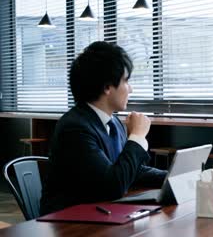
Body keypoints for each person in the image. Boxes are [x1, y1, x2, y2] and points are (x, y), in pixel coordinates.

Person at [40, 41, 167, 215]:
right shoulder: (75, 128)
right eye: (126, 81)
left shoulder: (112, 122)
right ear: (107, 87)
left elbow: (132, 172)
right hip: (71, 223)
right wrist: (137, 137)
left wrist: (173, 176)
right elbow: (111, 187)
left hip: (102, 214)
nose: (131, 89)